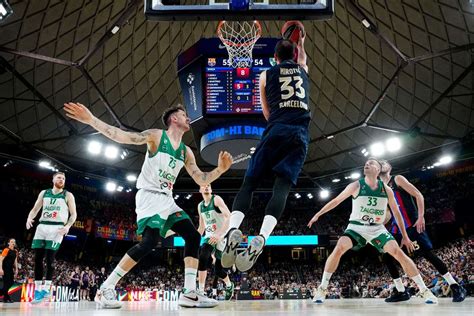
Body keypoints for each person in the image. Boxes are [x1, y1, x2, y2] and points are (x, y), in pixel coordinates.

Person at [64, 102, 232, 308]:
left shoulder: (186, 151)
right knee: (149, 243)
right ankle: (106, 287)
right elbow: (124, 136)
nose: (188, 118)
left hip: (167, 200)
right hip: (149, 197)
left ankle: (189, 292)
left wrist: (220, 170)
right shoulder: (156, 136)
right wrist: (91, 120)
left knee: (193, 235)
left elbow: (201, 178)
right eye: (183, 114)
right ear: (174, 119)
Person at [222, 33, 310, 272]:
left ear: (274, 58)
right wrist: (301, 42)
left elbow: (267, 113)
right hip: (300, 135)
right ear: (294, 55)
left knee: (249, 183)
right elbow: (302, 57)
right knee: (281, 187)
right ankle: (262, 236)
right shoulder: (303, 69)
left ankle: (233, 229)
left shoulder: (265, 75)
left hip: (275, 129)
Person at [308, 158, 438, 304]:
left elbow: (396, 213)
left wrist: (405, 236)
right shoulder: (356, 185)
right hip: (356, 226)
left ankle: (424, 290)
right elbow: (336, 201)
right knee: (339, 247)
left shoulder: (386, 189)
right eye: (366, 163)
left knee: (398, 253)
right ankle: (322, 288)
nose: (367, 164)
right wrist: (318, 214)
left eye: (371, 163)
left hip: (377, 228)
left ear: (378, 169)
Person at [379, 160, 467, 303]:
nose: (381, 163)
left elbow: (419, 195)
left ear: (389, 167)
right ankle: (401, 291)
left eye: (384, 162)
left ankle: (455, 286)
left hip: (413, 223)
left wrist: (420, 217)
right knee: (387, 256)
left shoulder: (397, 179)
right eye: (379, 162)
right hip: (397, 228)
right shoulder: (380, 189)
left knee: (427, 254)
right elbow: (389, 213)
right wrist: (376, 224)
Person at [25, 172, 78, 303]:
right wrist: (29, 218)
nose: (62, 180)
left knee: (50, 259)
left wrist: (68, 226)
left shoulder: (68, 195)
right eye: (59, 177)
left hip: (57, 228)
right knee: (37, 259)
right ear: (53, 179)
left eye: (64, 178)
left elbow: (74, 214)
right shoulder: (44, 193)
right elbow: (35, 208)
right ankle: (37, 290)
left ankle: (47, 289)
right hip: (42, 226)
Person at [196, 184, 234, 300]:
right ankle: (201, 291)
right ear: (200, 190)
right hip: (210, 236)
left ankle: (229, 285)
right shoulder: (200, 206)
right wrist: (194, 239)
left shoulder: (216, 199)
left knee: (218, 270)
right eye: (204, 185)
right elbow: (202, 226)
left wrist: (219, 234)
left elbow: (229, 216)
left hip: (222, 235)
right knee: (203, 256)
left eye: (209, 185)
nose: (206, 187)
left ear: (211, 189)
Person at [0, 238, 18, 303]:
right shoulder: (6, 250)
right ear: (8, 243)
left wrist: (16, 269)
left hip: (11, 269)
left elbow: (15, 261)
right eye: (11, 242)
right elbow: (1, 260)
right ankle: (6, 298)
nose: (13, 243)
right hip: (5, 268)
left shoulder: (15, 251)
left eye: (14, 242)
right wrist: (1, 269)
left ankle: (5, 297)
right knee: (6, 283)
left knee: (11, 283)